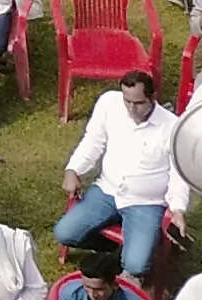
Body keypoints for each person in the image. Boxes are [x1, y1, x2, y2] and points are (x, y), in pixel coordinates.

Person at [55, 70, 181, 279]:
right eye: (127, 101)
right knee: (65, 233)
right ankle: (120, 250)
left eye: (138, 103)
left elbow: (179, 175)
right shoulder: (109, 103)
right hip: (107, 190)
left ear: (153, 97)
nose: (131, 108)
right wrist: (73, 169)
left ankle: (133, 252)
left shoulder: (172, 127)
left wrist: (178, 208)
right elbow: (93, 141)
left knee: (136, 266)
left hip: (146, 202)